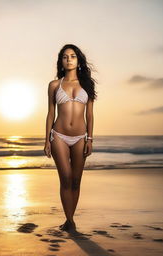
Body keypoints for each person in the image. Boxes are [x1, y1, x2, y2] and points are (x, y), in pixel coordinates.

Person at [44, 44, 97, 233]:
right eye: (65, 57)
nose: (69, 59)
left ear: (78, 60)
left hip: (81, 138)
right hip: (59, 136)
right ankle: (71, 221)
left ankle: (69, 221)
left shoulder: (87, 85)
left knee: (76, 181)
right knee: (65, 179)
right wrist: (46, 140)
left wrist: (90, 139)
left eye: (72, 56)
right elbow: (51, 114)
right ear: (61, 61)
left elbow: (90, 115)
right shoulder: (54, 85)